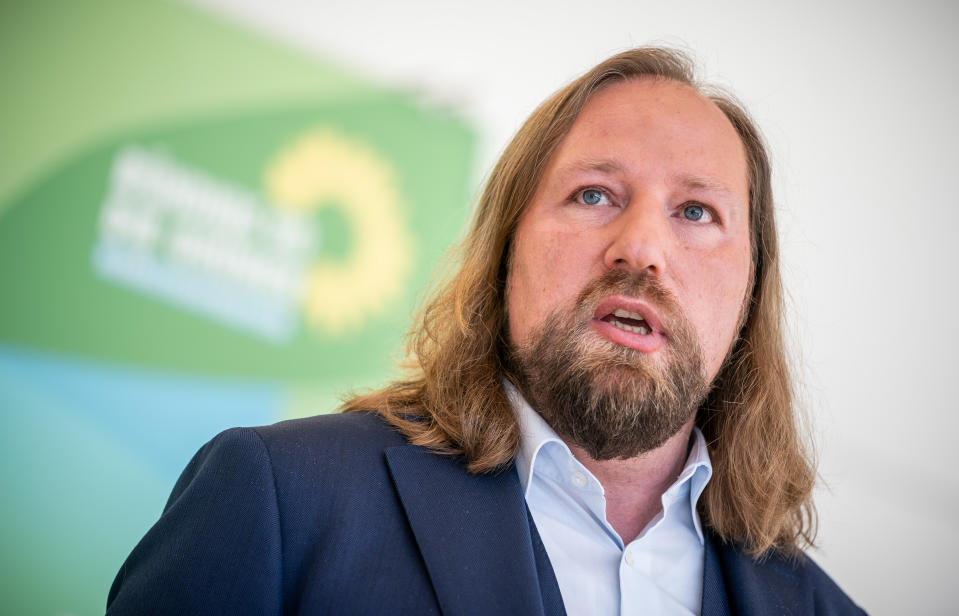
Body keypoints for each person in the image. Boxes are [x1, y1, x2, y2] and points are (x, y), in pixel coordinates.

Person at [107, 47, 865, 615]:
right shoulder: (279, 499)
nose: (641, 248)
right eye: (594, 193)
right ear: (505, 248)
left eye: (696, 212)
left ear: (749, 296)